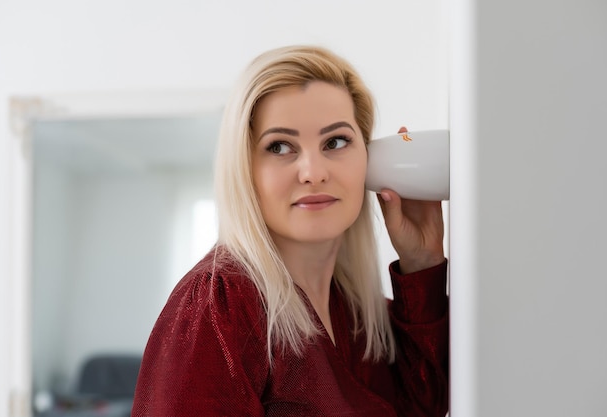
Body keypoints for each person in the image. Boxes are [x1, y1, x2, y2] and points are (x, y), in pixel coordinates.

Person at [131, 45, 448, 417]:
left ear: (369, 159)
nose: (313, 171)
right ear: (245, 168)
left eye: (336, 142)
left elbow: (425, 403)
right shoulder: (220, 305)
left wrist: (422, 261)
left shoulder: (357, 313)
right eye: (280, 146)